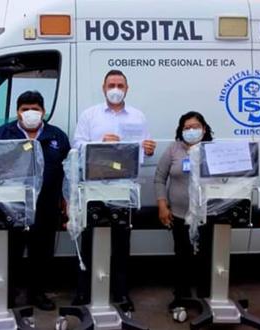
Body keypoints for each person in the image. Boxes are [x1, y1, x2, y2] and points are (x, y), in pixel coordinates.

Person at [71, 69, 157, 310]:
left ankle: (120, 294)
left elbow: (143, 148)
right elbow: (76, 146)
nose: (116, 89)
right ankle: (83, 292)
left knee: (121, 244)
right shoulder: (90, 115)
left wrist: (148, 148)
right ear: (104, 88)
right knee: (88, 241)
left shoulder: (137, 117)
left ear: (127, 89)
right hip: (94, 188)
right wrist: (100, 144)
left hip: (123, 188)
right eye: (112, 85)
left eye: (120, 85)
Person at [0, 90, 70, 311]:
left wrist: (67, 202)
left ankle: (38, 293)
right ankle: (8, 293)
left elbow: (68, 172)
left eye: (35, 109)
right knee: (11, 252)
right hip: (11, 206)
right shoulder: (3, 134)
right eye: (25, 109)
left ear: (43, 111)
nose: (30, 113)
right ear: (18, 112)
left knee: (42, 253)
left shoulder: (57, 137)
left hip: (46, 205)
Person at [154, 111, 214, 309]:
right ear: (181, 130)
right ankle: (182, 294)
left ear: (204, 129)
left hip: (207, 214)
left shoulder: (213, 150)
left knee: (207, 255)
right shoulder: (173, 150)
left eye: (195, 126)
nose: (191, 130)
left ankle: (207, 296)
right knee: (182, 255)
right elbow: (160, 178)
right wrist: (162, 205)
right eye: (186, 127)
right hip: (180, 214)